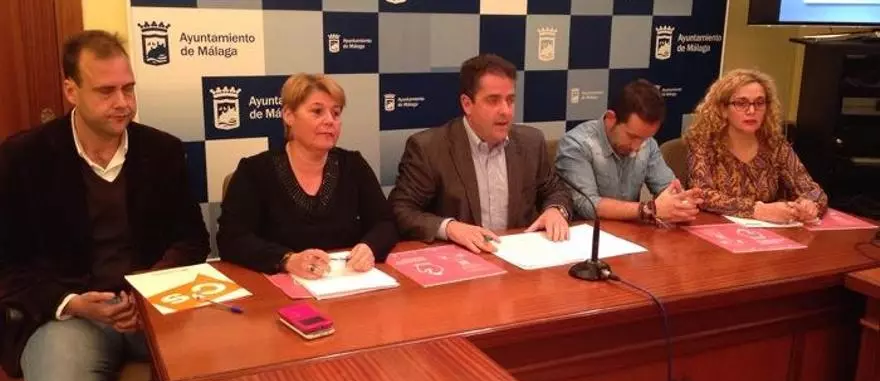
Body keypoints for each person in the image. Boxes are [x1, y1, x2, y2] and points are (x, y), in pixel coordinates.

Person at [0, 30, 209, 381]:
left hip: (151, 305)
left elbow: (193, 240)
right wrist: (73, 303)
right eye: (106, 91)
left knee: (222, 369)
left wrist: (147, 286)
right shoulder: (22, 159)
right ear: (70, 90)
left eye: (128, 88)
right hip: (70, 312)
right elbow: (8, 264)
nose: (123, 103)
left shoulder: (163, 150)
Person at [389, 54, 572, 254]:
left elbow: (555, 190)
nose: (506, 111)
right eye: (493, 101)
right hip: (461, 258)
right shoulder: (429, 148)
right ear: (467, 104)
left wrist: (556, 210)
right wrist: (450, 228)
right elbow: (401, 210)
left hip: (519, 256)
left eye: (510, 100)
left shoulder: (531, 142)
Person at [217, 73, 398, 277]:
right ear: (289, 116)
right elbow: (231, 239)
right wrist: (286, 260)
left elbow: (385, 223)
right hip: (279, 285)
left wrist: (370, 247)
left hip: (345, 281)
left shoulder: (353, 165)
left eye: (336, 113)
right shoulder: (254, 171)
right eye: (317, 111)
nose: (330, 121)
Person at [684, 69, 827, 223]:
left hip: (770, 231)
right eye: (741, 103)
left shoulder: (775, 144)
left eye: (759, 103)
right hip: (716, 228)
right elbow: (701, 194)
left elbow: (813, 190)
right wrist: (757, 210)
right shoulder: (703, 143)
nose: (752, 111)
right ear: (723, 109)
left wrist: (809, 205)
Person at [555, 79, 702, 225]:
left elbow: (666, 187)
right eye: (632, 137)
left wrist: (681, 203)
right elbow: (587, 205)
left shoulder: (648, 144)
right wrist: (648, 209)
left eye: (644, 139)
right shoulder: (576, 144)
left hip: (631, 232)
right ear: (611, 119)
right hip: (589, 232)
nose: (637, 147)